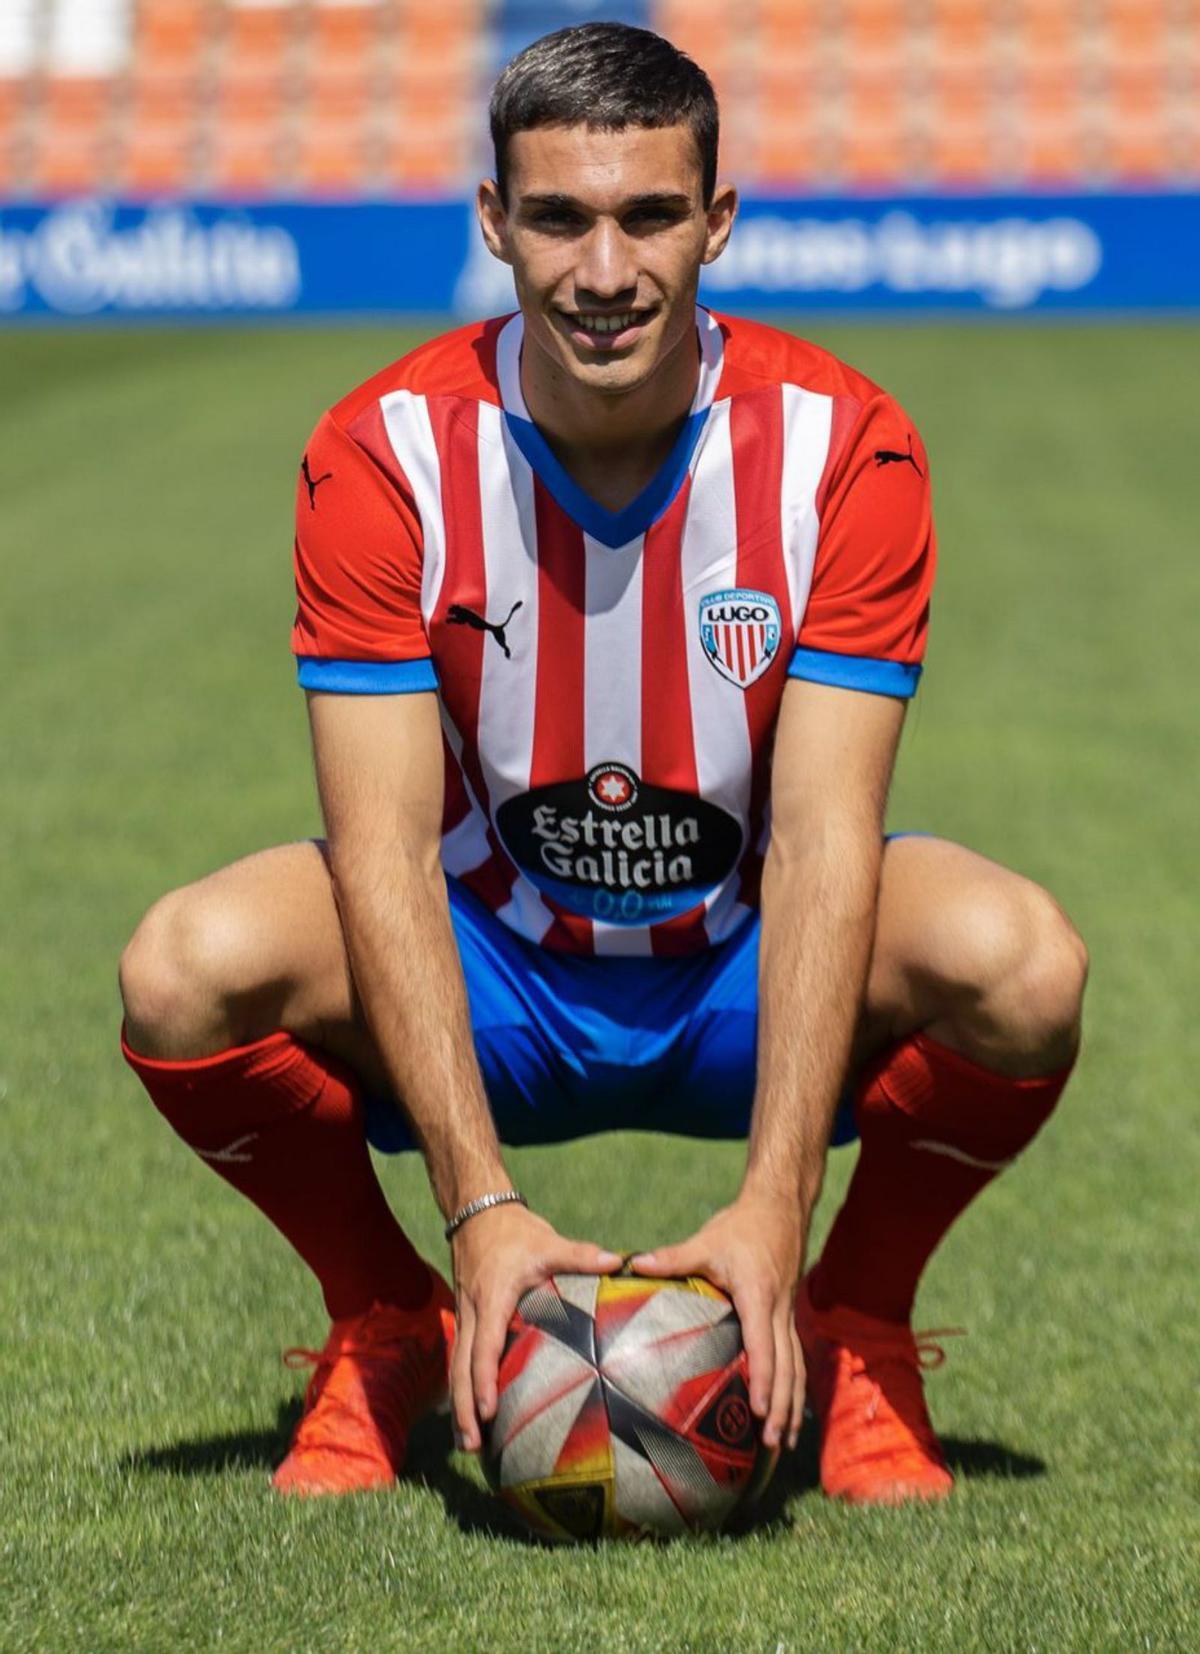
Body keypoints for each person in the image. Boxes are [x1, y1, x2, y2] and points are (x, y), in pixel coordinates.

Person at [118, 23, 1087, 1507]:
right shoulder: (384, 454)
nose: (605, 268)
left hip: (742, 970)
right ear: (494, 221)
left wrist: (777, 1202)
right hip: (489, 960)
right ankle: (387, 1315)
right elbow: (376, 848)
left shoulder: (846, 452)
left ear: (718, 220)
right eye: (559, 216)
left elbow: (828, 833)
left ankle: (859, 1317)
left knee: (1023, 964)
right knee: (181, 970)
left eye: (647, 215)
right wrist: (478, 1206)